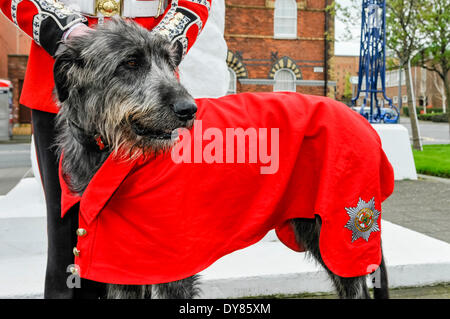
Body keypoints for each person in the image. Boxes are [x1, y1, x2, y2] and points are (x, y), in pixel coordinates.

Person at [0, 0, 226, 298]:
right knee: (71, 247)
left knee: (150, 243)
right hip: (70, 75)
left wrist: (162, 43)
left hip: (151, 81)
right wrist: (67, 31)